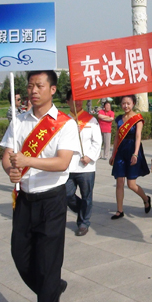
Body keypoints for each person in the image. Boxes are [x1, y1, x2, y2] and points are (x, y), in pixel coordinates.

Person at [0, 70, 80, 302]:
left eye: (40, 85)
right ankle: (52, 290)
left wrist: (26, 160)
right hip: (24, 200)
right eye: (30, 85)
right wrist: (11, 168)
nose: (34, 90)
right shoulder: (19, 121)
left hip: (52, 202)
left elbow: (62, 163)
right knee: (19, 256)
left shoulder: (65, 124)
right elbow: (7, 155)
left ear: (52, 89)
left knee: (48, 265)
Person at [65, 90, 102, 237]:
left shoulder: (90, 120)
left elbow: (97, 141)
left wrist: (90, 156)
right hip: (68, 166)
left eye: (79, 99)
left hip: (86, 166)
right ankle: (84, 209)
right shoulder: (63, 120)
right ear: (68, 102)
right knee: (66, 195)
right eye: (74, 100)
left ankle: (83, 223)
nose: (77, 102)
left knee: (87, 195)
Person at [109, 95, 151, 219]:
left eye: (128, 103)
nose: (126, 106)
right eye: (123, 103)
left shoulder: (137, 118)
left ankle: (146, 198)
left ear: (133, 103)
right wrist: (113, 154)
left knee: (131, 184)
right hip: (121, 151)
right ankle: (119, 210)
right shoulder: (119, 119)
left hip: (133, 150)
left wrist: (136, 153)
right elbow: (116, 137)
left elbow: (138, 136)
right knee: (119, 181)